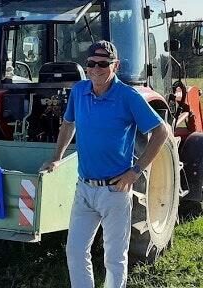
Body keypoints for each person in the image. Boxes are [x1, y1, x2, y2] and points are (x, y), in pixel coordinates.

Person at [40, 40, 168, 288]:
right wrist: (57, 157)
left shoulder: (128, 97)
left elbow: (161, 131)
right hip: (84, 188)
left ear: (115, 66)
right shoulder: (79, 91)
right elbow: (69, 123)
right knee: (75, 252)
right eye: (91, 64)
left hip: (115, 191)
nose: (96, 69)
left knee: (115, 259)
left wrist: (135, 171)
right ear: (86, 66)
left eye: (103, 64)